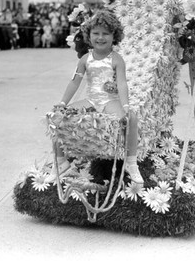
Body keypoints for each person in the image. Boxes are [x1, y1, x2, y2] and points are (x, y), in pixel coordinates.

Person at [52, 10, 143, 185]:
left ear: (114, 36)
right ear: (89, 35)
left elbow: (122, 84)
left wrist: (125, 106)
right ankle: (61, 161)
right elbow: (74, 82)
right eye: (96, 33)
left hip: (110, 100)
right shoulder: (85, 59)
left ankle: (131, 162)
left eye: (105, 34)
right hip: (91, 99)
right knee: (57, 117)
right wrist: (63, 102)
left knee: (131, 117)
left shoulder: (117, 59)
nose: (100, 38)